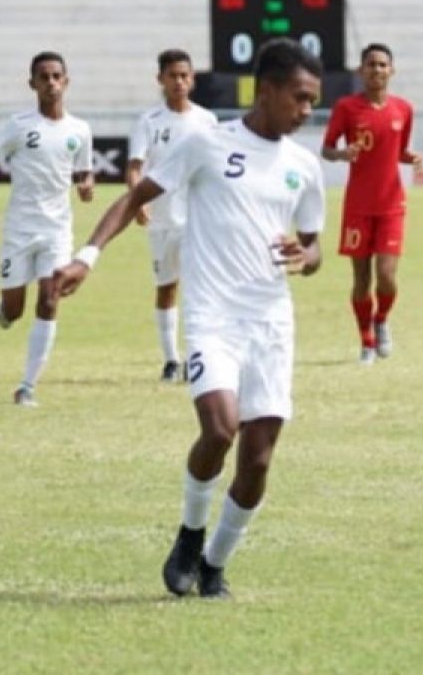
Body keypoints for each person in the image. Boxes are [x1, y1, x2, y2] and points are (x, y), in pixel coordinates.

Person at [53, 39, 326, 599]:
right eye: (299, 98)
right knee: (221, 428)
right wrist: (88, 256)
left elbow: (315, 245)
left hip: (271, 324)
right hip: (213, 316)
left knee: (258, 459)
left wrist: (306, 256)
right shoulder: (207, 143)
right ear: (266, 91)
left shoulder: (304, 165)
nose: (306, 111)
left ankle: (215, 564)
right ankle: (189, 532)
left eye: (312, 101)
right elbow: (134, 198)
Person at [0, 51, 95, 408]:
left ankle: (27, 385)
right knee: (14, 311)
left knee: (49, 299)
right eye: (44, 77)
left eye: (57, 76)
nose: (51, 83)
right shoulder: (18, 125)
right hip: (19, 231)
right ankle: (5, 308)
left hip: (57, 230)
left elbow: (83, 171)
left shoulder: (80, 130)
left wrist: (86, 184)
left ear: (67, 82)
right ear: (33, 84)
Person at [321, 43, 423, 365]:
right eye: (371, 64)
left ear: (391, 71)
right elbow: (326, 149)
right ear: (361, 71)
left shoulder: (403, 109)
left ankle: (381, 321)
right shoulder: (346, 108)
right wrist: (342, 154)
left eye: (382, 65)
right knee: (361, 279)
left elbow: (397, 151)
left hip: (391, 204)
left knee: (387, 276)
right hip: (358, 207)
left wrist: (413, 157)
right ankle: (366, 341)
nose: (377, 70)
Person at [127, 49, 219, 382]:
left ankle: (199, 358)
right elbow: (135, 167)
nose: (179, 81)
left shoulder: (207, 121)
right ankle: (170, 359)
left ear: (192, 79)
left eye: (184, 75)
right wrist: (138, 202)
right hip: (161, 220)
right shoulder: (149, 122)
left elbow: (216, 169)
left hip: (198, 221)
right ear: (161, 80)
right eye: (172, 76)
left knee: (199, 289)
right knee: (166, 288)